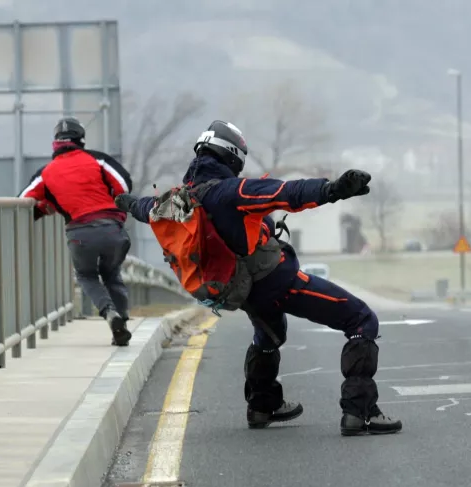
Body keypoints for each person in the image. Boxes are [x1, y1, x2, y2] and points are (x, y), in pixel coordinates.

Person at [114, 120, 402, 436]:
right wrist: (332, 189)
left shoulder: (176, 200)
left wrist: (127, 203)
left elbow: (145, 208)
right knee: (361, 320)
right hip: (277, 282)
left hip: (241, 289)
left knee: (269, 334)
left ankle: (263, 406)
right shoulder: (231, 192)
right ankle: (359, 413)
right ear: (233, 155)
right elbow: (285, 193)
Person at [20, 117, 135, 346]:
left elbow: (24, 202)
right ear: (80, 140)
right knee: (112, 274)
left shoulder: (46, 173)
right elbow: (123, 185)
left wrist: (46, 207)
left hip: (79, 233)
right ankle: (121, 321)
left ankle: (109, 313)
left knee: (86, 276)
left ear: (56, 142)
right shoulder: (98, 160)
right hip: (112, 228)